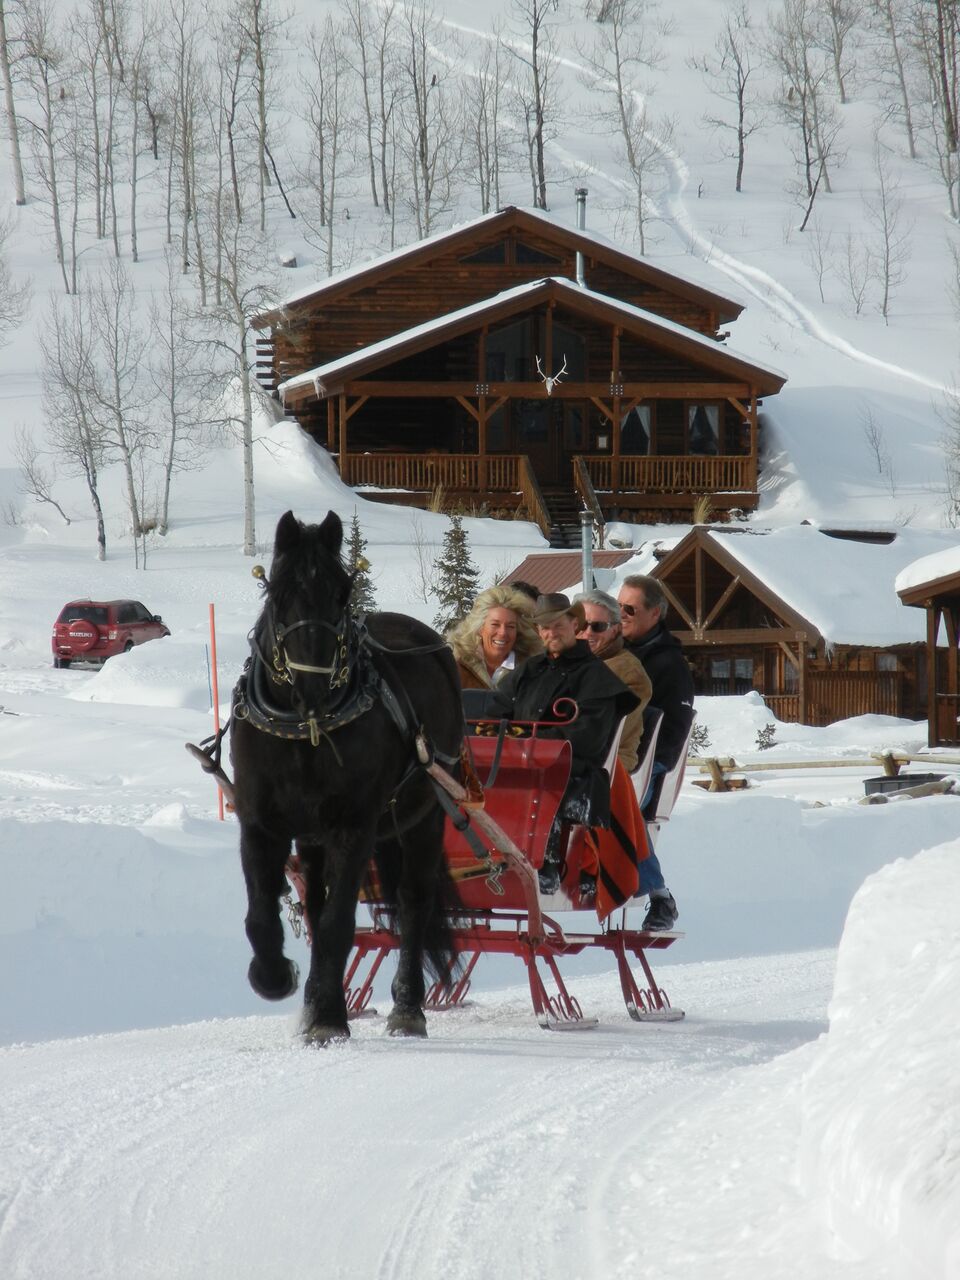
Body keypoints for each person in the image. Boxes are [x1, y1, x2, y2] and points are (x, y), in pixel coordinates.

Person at [491, 593, 640, 895]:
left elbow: (586, 737)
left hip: (572, 770)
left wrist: (527, 743)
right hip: (515, 763)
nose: (550, 633)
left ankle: (545, 863)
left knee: (542, 781)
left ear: (575, 624)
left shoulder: (596, 676)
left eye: (557, 625)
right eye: (544, 628)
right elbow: (495, 710)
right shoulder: (529, 670)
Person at [617, 573, 695, 930]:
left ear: (655, 613)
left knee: (619, 803)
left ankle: (659, 895)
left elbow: (675, 730)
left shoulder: (670, 665)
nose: (622, 614)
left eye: (630, 608)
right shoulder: (612, 653)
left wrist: (648, 763)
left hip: (647, 763)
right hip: (607, 756)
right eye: (618, 606)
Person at [573, 589, 652, 774]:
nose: (587, 633)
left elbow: (605, 734)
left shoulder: (628, 672)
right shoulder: (566, 664)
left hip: (607, 767)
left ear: (616, 629)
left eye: (598, 626)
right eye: (581, 626)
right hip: (566, 759)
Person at [446, 585, 542, 690]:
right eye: (495, 625)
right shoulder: (456, 667)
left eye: (510, 626)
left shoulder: (531, 670)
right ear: (480, 627)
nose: (503, 633)